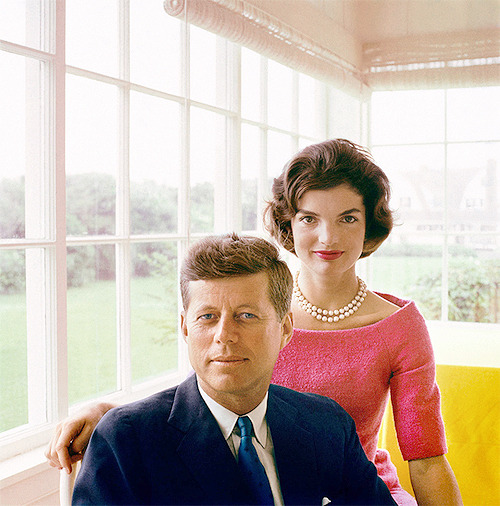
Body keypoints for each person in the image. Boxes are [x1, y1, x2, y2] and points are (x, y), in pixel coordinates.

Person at [46, 140, 462, 505]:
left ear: (370, 223)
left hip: (351, 488)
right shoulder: (251, 306)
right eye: (309, 218)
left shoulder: (398, 327)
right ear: (289, 223)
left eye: (348, 218)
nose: (328, 238)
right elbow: (203, 400)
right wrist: (109, 414)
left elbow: (425, 459)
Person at [70, 234, 396, 505]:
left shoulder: (326, 424)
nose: (224, 335)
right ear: (185, 328)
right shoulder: (126, 441)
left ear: (285, 330)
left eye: (246, 315)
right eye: (207, 317)